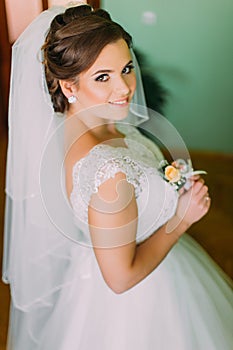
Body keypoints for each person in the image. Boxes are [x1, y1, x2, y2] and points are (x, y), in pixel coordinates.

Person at [2, 2, 233, 349]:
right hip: (138, 302)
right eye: (102, 77)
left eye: (125, 68)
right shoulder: (108, 173)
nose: (123, 88)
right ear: (68, 86)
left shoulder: (81, 122)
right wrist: (182, 218)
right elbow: (122, 278)